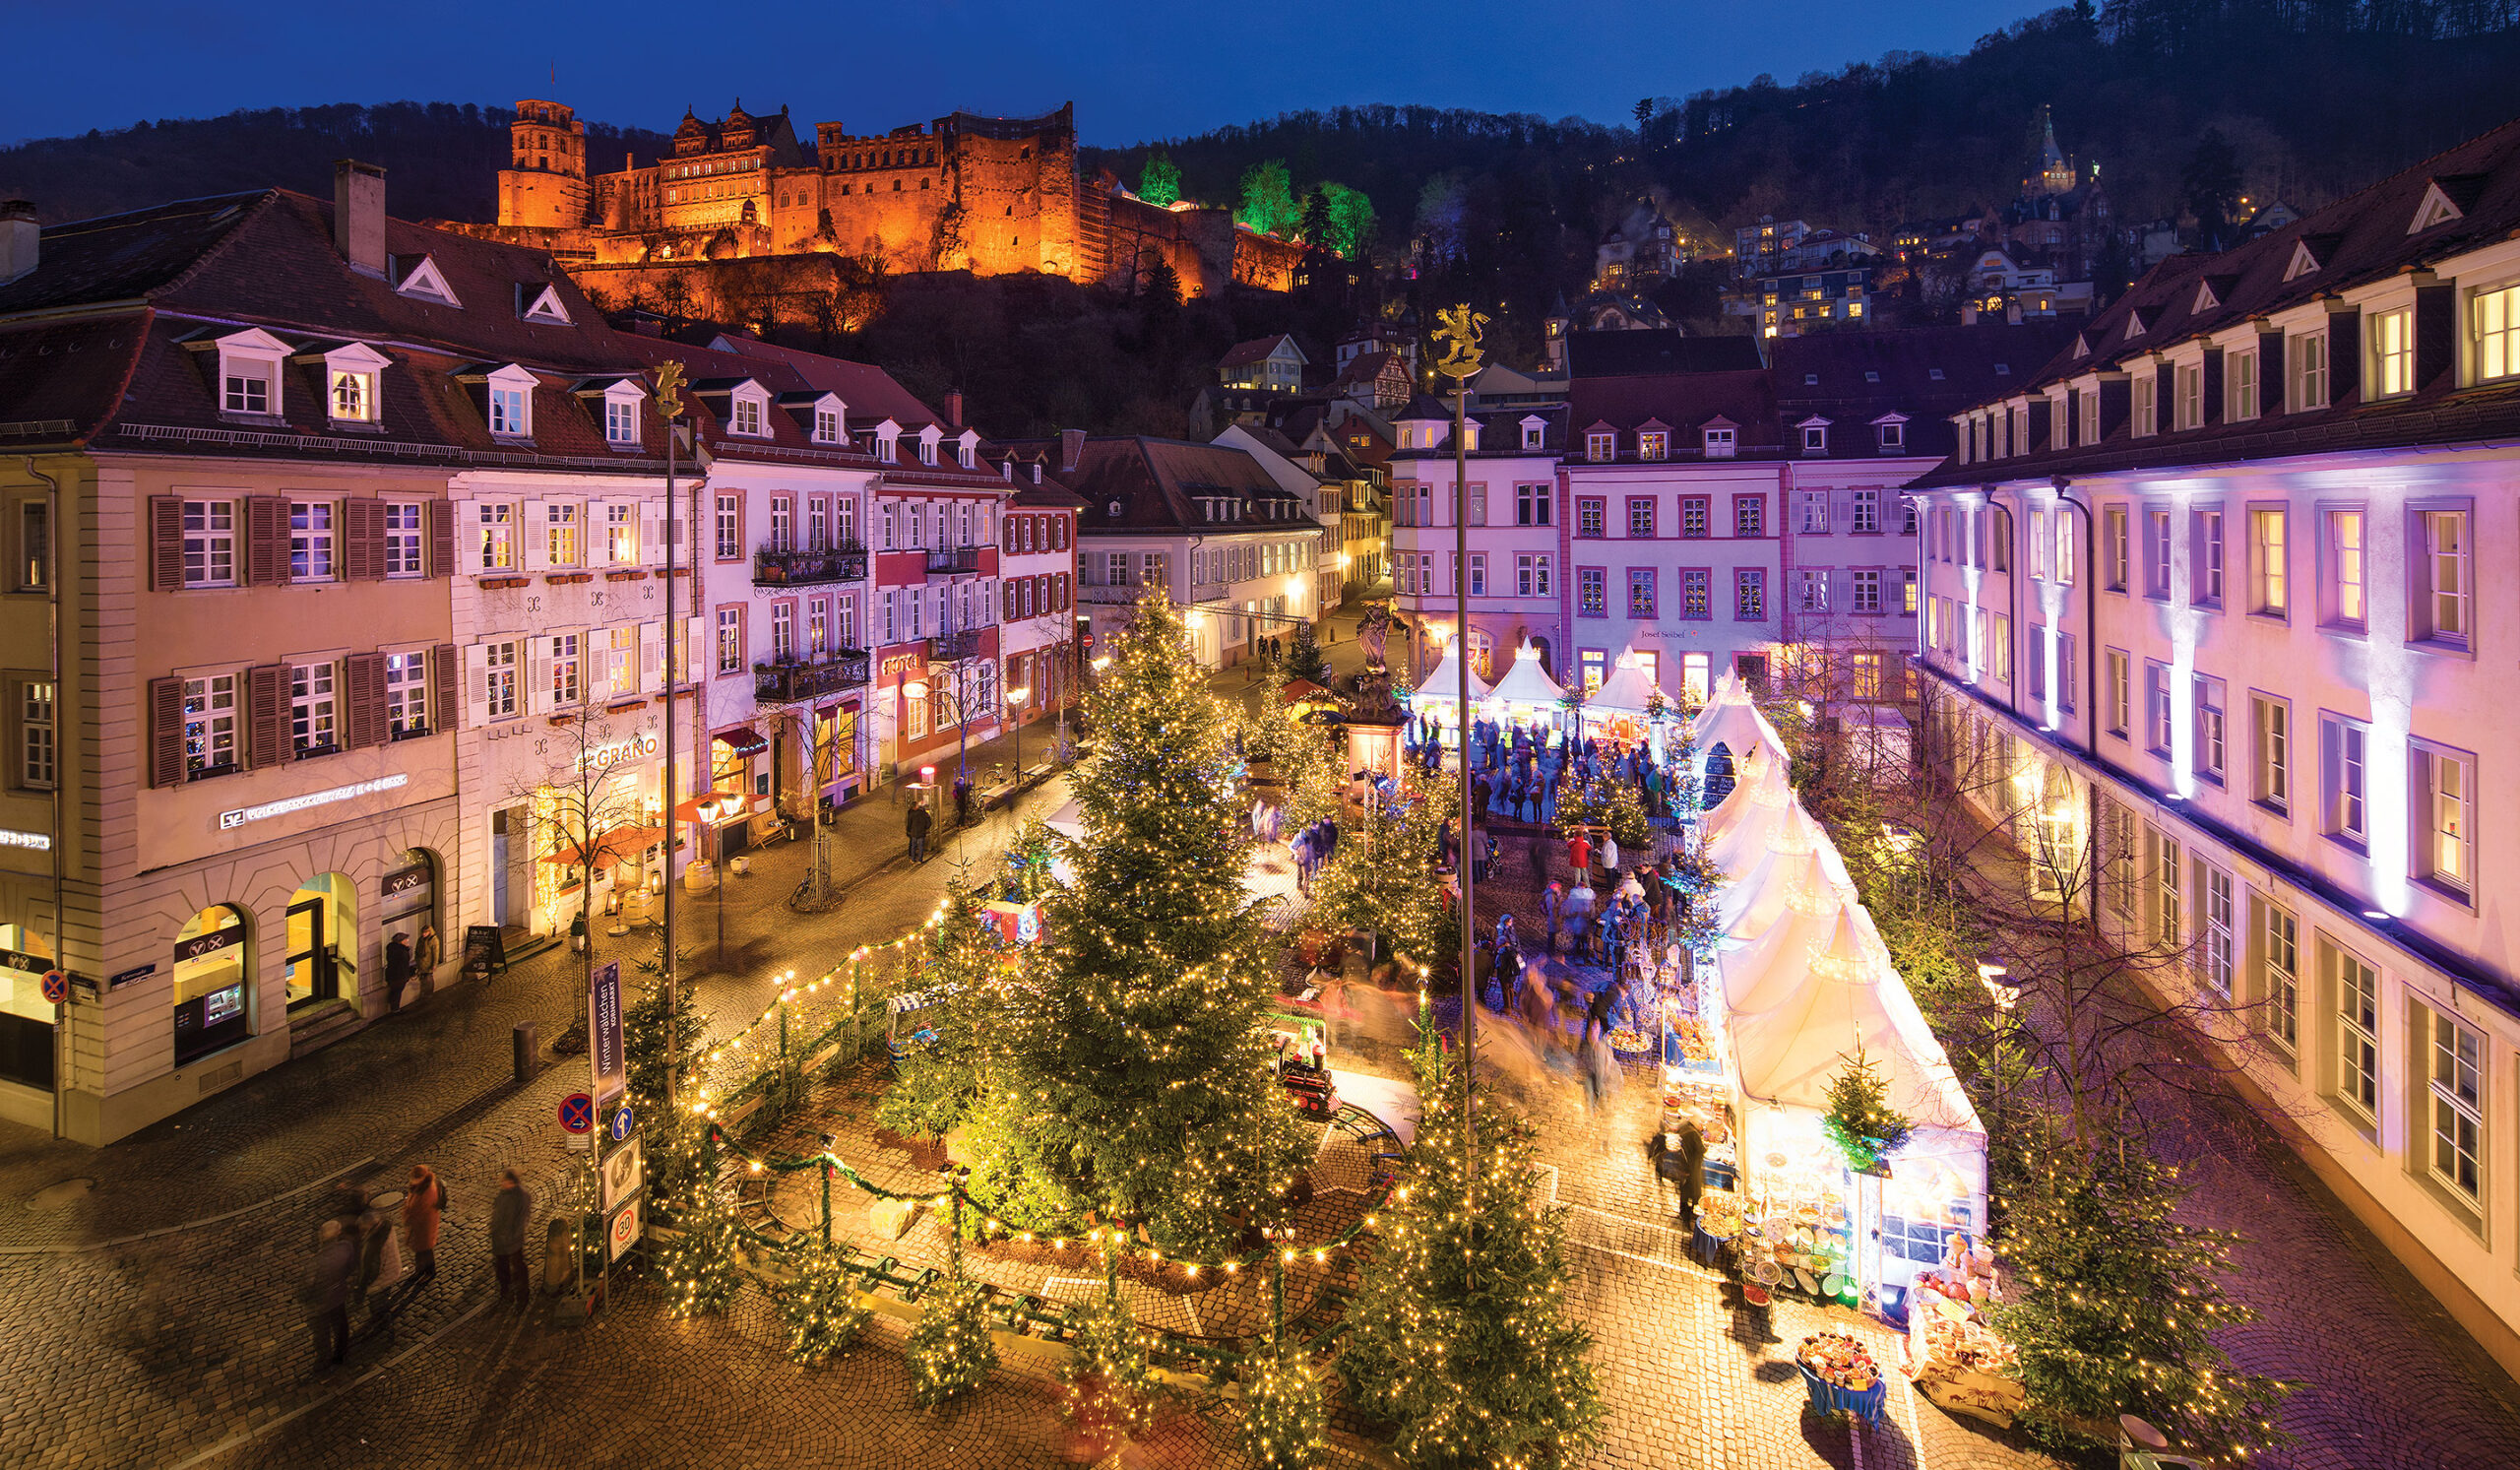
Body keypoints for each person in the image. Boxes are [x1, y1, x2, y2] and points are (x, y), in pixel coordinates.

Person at [304, 1218, 358, 1371]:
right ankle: (340, 1354)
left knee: (322, 1332)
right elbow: (350, 1268)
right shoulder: (346, 1247)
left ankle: (324, 1359)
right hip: (338, 1296)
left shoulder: (316, 1261)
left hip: (321, 1302)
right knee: (341, 1326)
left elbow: (307, 1285)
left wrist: (307, 1299)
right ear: (338, 1233)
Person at [489, 1168, 534, 1310]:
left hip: (513, 1240)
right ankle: (505, 1292)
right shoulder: (502, 1195)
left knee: (518, 1267)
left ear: (512, 1182)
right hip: (499, 1239)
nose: (503, 1184)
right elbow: (496, 1214)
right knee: (501, 1267)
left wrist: (513, 1236)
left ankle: (523, 1296)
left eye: (506, 1182)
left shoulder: (522, 1197)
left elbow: (521, 1220)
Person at [403, 1164, 444, 1293]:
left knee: (425, 1250)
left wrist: (409, 1219)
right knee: (419, 1250)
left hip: (425, 1226)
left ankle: (429, 1272)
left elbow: (421, 1211)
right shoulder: (418, 1186)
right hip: (418, 1226)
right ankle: (419, 1269)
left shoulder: (428, 1191)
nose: (412, 1180)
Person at [384, 932, 413, 1013]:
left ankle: (394, 1006)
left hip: (392, 975)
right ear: (400, 941)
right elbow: (405, 961)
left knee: (395, 991)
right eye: (405, 939)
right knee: (397, 992)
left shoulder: (392, 949)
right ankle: (395, 1009)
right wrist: (407, 949)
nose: (407, 940)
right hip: (399, 975)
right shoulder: (401, 951)